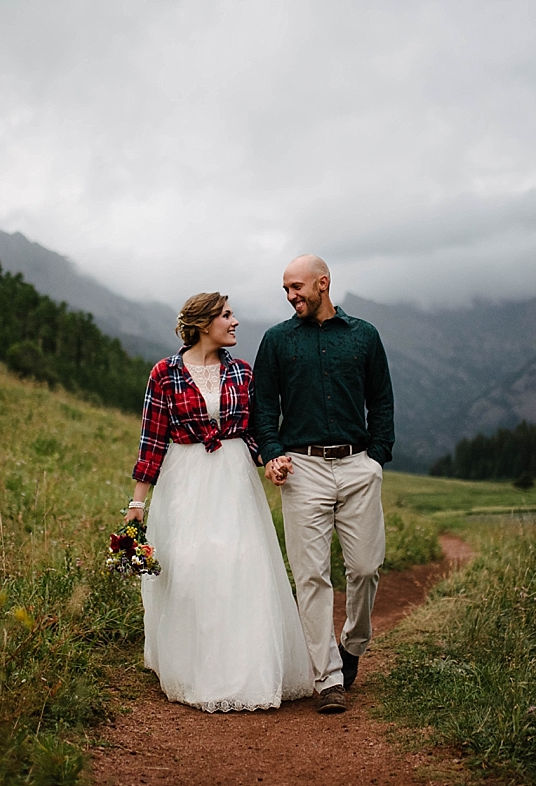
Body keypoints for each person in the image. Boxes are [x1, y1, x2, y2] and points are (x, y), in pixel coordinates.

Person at [126, 292, 314, 712]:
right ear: (204, 322)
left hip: (234, 480)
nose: (235, 322)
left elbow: (253, 433)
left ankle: (246, 672)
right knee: (192, 569)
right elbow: (151, 441)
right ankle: (196, 670)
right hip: (185, 481)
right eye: (227, 315)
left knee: (240, 566)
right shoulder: (165, 373)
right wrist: (135, 504)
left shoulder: (243, 373)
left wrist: (271, 458)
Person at [251, 255, 394, 714]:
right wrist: (273, 453)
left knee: (367, 567)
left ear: (323, 283)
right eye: (286, 290)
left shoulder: (364, 336)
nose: (291, 296)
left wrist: (377, 456)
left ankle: (352, 645)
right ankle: (327, 678)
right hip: (302, 468)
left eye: (297, 287)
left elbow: (382, 400)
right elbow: (263, 406)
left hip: (357, 465)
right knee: (311, 575)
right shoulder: (276, 341)